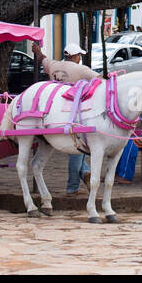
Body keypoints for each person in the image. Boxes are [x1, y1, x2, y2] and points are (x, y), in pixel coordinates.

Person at [30, 44, 100, 194]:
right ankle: (72, 187)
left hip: (52, 113)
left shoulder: (54, 65)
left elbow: (43, 59)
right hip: (73, 114)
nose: (80, 58)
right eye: (79, 56)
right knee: (77, 151)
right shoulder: (81, 69)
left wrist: (38, 52)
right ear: (75, 57)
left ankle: (84, 174)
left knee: (77, 153)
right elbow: (99, 79)